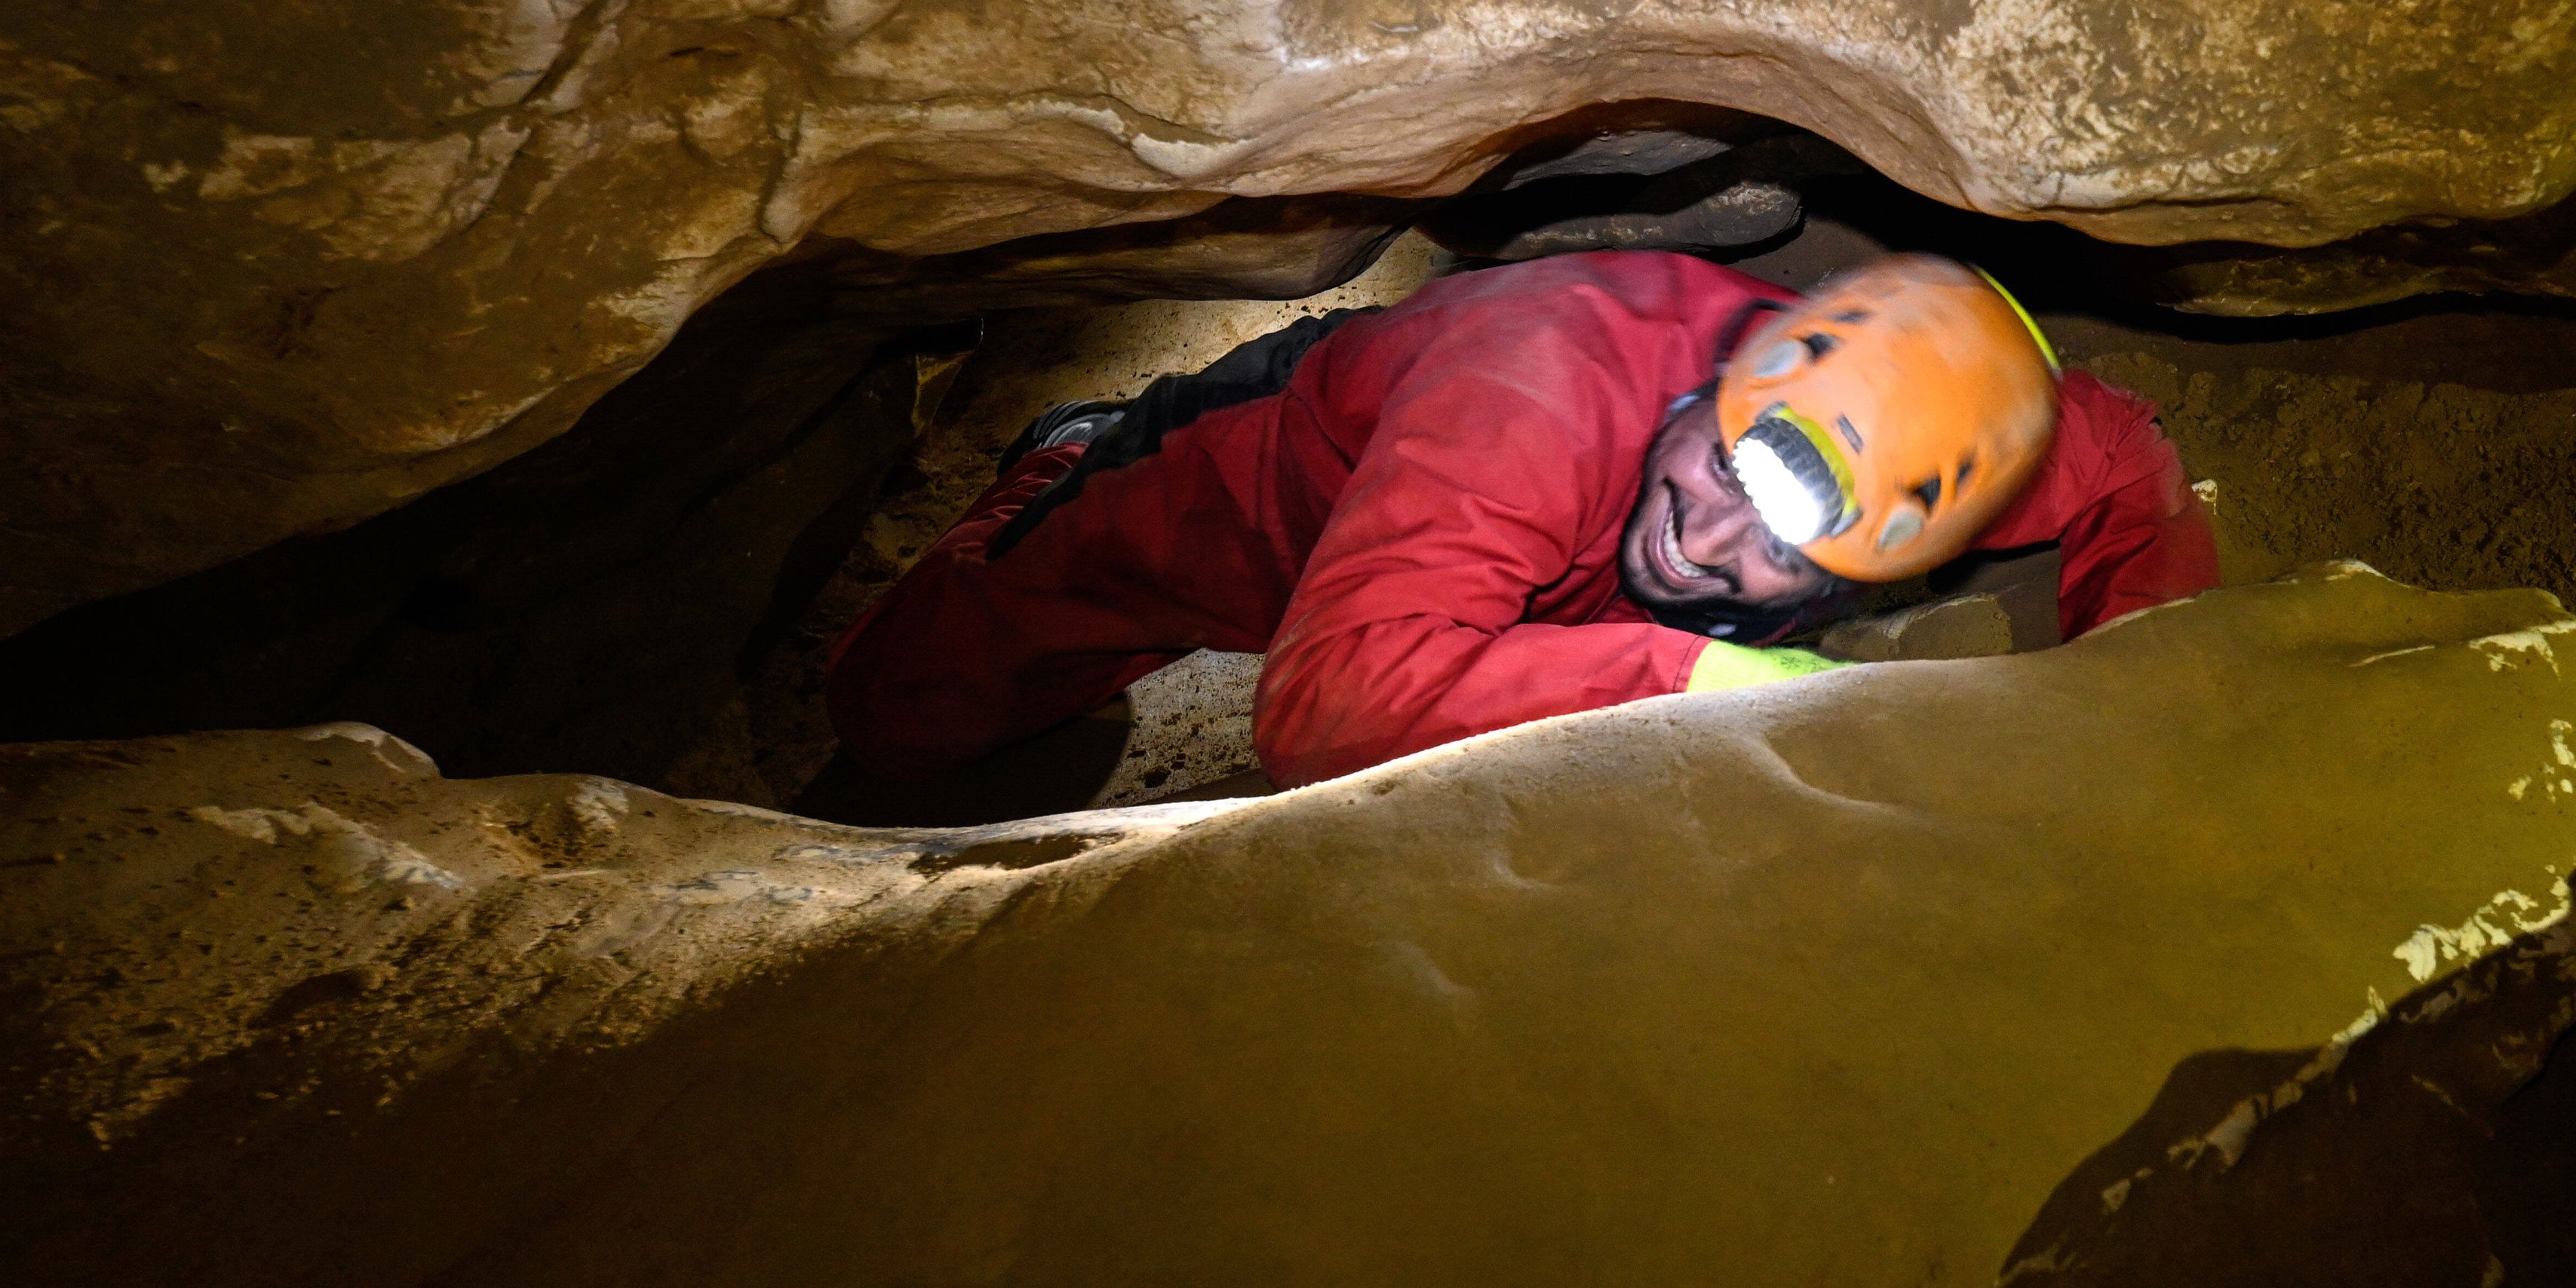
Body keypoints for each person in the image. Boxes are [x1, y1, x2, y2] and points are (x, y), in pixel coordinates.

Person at [827, 249, 2219, 791]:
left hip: (1521, 582)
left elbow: (2125, 466)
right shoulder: (1537, 390)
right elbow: (1319, 706)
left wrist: (2154, 712)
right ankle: (1063, 457)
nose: (1711, 544)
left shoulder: (1960, 435)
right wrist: (1689, 668)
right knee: (901, 713)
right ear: (1730, 377)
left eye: (1793, 549)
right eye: (1735, 470)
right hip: (1252, 510)